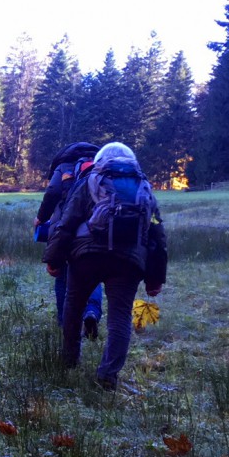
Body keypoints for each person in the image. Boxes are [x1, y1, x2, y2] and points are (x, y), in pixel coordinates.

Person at [44, 142, 167, 391]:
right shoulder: (143, 187)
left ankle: (69, 360)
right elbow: (157, 234)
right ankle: (108, 375)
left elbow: (66, 223)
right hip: (128, 262)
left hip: (86, 256)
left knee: (74, 305)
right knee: (120, 317)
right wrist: (155, 279)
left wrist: (54, 259)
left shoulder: (90, 180)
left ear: (101, 159)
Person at [35, 142, 104, 337]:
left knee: (62, 275)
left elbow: (52, 193)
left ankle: (64, 322)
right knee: (94, 275)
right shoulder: (101, 165)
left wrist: (41, 217)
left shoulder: (63, 167)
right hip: (94, 227)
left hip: (64, 228)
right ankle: (92, 312)